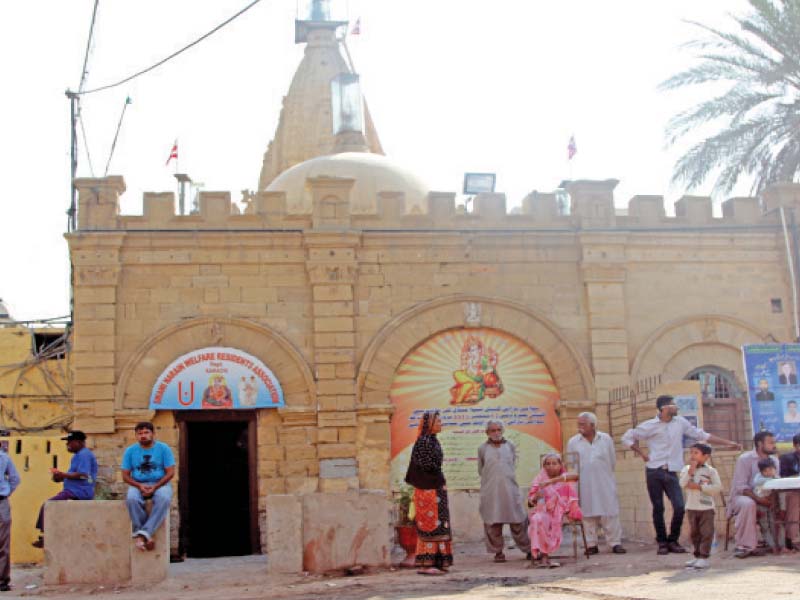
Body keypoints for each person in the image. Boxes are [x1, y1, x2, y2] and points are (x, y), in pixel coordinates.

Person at [621, 395, 740, 555]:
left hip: (671, 471)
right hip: (654, 470)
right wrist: (641, 453)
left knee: (679, 506)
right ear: (664, 408)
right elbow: (627, 437)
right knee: (658, 508)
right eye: (673, 405)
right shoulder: (649, 425)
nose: (676, 408)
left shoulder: (680, 423)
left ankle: (673, 540)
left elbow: (701, 435)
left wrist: (728, 443)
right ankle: (662, 543)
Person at [566, 412, 626, 555]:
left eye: (582, 424)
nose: (579, 427)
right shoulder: (573, 442)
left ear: (593, 425)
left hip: (604, 481)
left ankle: (614, 543)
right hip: (584, 483)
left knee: (610, 513)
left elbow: (612, 461)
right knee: (586, 514)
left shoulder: (605, 439)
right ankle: (591, 544)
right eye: (578, 424)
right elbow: (571, 464)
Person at [404, 411, 453, 575]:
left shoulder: (433, 441)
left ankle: (439, 561)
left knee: (440, 524)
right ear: (429, 424)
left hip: (436, 488)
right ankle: (427, 563)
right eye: (437, 421)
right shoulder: (424, 442)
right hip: (427, 490)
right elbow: (426, 468)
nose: (440, 424)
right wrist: (436, 483)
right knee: (430, 525)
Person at [32, 431, 97, 549]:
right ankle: (45, 535)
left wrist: (63, 475)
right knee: (49, 506)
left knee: (48, 505)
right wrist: (59, 477)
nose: (68, 445)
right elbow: (73, 476)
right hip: (73, 490)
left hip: (80, 492)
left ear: (79, 442)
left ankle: (45, 536)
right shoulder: (77, 456)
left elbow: (83, 475)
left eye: (70, 442)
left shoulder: (84, 454)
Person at [477, 419, 531, 562]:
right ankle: (498, 552)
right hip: (491, 491)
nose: (496, 433)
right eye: (493, 430)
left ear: (503, 431)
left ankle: (529, 549)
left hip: (510, 489)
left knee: (519, 519)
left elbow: (512, 464)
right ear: (487, 433)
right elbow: (481, 470)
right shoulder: (482, 448)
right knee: (493, 521)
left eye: (498, 430)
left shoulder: (510, 446)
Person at [121, 421, 175, 551]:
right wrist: (139, 486)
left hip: (160, 483)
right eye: (140, 433)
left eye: (146, 432)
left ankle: (142, 534)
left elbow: (170, 473)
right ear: (136, 435)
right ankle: (146, 534)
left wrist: (155, 487)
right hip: (138, 483)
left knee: (164, 498)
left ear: (153, 434)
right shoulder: (130, 451)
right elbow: (125, 476)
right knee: (131, 499)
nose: (143, 436)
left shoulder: (164, 448)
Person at [727, 430, 779, 558]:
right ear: (760, 444)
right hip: (743, 497)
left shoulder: (774, 460)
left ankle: (782, 543)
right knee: (749, 504)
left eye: (774, 442)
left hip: (766, 496)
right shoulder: (745, 459)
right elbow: (741, 487)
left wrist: (770, 499)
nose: (774, 445)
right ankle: (745, 546)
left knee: (787, 499)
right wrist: (759, 499)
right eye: (770, 442)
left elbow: (777, 483)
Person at [526, 453, 581, 569]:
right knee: (537, 519)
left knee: (546, 519)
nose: (551, 466)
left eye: (554, 463)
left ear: (560, 465)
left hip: (563, 511)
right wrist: (535, 497)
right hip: (544, 511)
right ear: (544, 466)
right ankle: (544, 555)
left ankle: (543, 553)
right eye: (548, 464)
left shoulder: (565, 476)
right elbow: (530, 504)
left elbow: (576, 476)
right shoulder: (539, 479)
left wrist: (551, 481)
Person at [679, 443, 721, 569]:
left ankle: (704, 557)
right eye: (691, 452)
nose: (692, 455)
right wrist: (690, 472)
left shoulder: (711, 471)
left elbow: (717, 487)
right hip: (691, 507)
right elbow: (682, 484)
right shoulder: (686, 469)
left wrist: (700, 487)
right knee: (694, 533)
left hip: (706, 508)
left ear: (705, 456)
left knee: (706, 532)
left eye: (696, 453)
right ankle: (696, 556)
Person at [0, 445, 20, 592]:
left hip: (2, 501)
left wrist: (6, 493)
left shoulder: (4, 458)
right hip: (2, 502)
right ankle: (1, 581)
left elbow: (15, 479)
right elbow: (15, 479)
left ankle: (2, 580)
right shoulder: (4, 457)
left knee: (3, 542)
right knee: (2, 543)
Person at [752, 457, 782, 554]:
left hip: (771, 504)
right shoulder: (759, 478)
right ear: (761, 472)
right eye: (766, 471)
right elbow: (756, 483)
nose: (769, 472)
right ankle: (772, 546)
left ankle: (778, 545)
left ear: (775, 468)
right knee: (765, 526)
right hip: (761, 504)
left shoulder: (776, 477)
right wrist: (771, 479)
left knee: (773, 524)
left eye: (771, 469)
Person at [779, 432, 800, 550]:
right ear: (795, 446)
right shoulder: (787, 458)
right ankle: (793, 538)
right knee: (794, 498)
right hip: (792, 490)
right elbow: (783, 476)